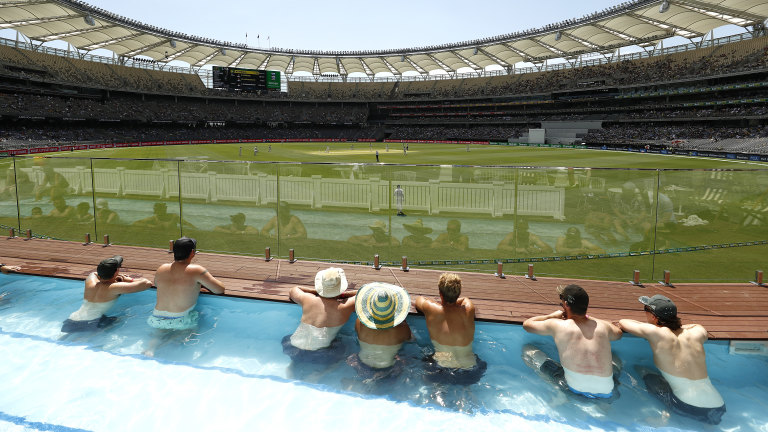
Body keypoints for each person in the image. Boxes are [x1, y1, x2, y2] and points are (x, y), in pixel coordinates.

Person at [618, 295, 726, 424]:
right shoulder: (697, 332)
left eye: (645, 310)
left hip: (685, 406)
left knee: (642, 371)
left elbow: (623, 322)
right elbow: (696, 325)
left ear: (653, 317)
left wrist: (654, 326)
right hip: (718, 407)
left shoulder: (657, 333)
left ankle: (665, 418)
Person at [522, 284, 623, 400]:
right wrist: (590, 318)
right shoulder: (602, 326)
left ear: (566, 305)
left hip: (573, 390)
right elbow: (618, 334)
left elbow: (527, 325)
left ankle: (558, 392)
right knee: (616, 359)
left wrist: (552, 315)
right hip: (608, 392)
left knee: (527, 350)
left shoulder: (557, 325)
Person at [414, 272, 486, 384]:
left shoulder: (431, 308)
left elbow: (418, 300)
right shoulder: (468, 309)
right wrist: (453, 300)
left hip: (440, 370)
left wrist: (440, 303)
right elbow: (465, 299)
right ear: (458, 293)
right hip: (471, 371)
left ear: (440, 294)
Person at [148, 237, 226, 330]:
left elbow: (157, 285)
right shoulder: (196, 270)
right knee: (180, 342)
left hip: (156, 317)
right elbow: (219, 290)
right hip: (180, 319)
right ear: (192, 252)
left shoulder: (161, 268)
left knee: (154, 342)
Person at [282, 267, 358, 362]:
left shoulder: (308, 299)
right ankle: (321, 373)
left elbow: (294, 289)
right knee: (345, 348)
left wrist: (317, 292)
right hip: (319, 355)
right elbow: (363, 293)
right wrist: (343, 294)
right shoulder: (344, 306)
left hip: (292, 348)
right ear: (341, 289)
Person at [61, 255, 152, 332]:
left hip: (71, 321)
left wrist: (116, 277)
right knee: (121, 319)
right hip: (92, 323)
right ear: (116, 271)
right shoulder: (113, 288)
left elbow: (94, 273)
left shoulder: (90, 282)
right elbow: (147, 283)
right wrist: (129, 279)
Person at [347, 282, 412, 380]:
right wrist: (402, 321)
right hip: (387, 370)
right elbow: (411, 339)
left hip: (362, 366)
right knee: (405, 360)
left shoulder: (359, 322)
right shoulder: (401, 329)